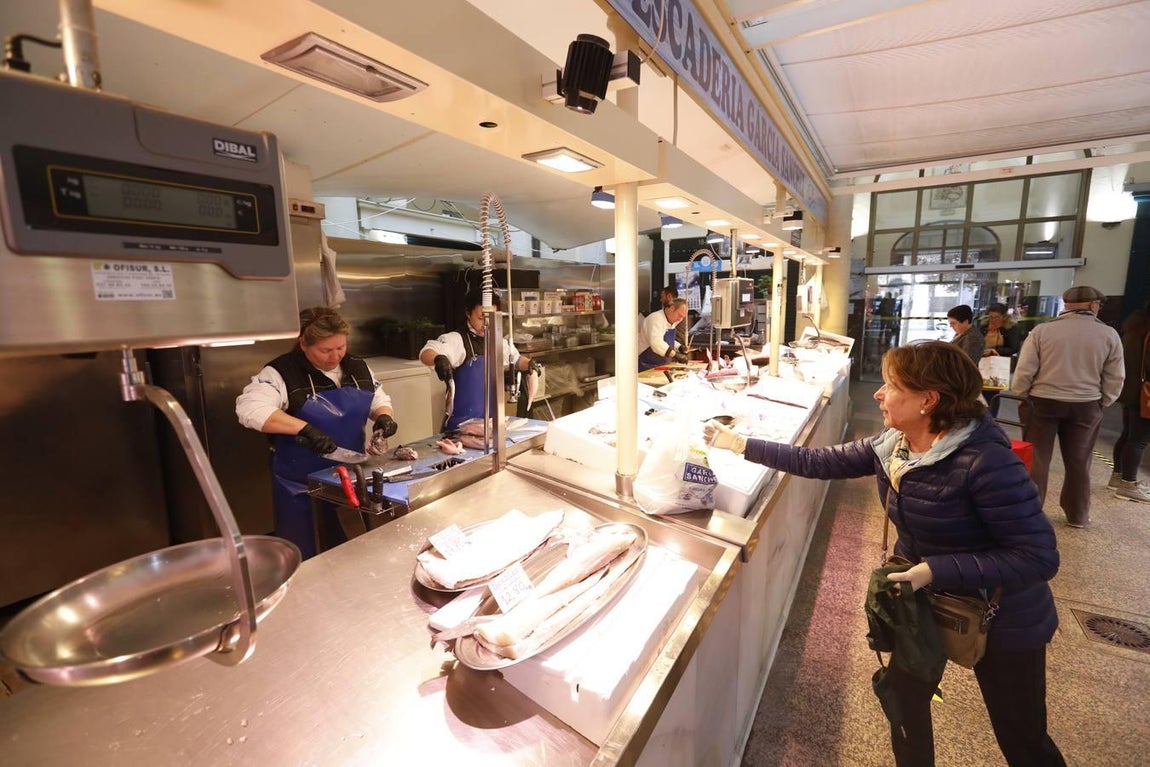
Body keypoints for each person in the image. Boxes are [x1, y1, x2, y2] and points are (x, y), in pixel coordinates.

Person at [705, 341, 1064, 767]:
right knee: (903, 703)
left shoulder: (987, 463)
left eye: (891, 386)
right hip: (922, 602)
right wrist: (742, 444)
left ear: (928, 400)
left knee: (1021, 735)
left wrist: (936, 569)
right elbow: (821, 461)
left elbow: (1038, 557)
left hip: (1004, 616)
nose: (878, 394)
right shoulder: (896, 444)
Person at [236, 307, 397, 559]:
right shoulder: (281, 372)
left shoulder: (357, 367)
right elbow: (250, 409)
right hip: (300, 487)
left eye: (341, 347)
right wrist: (305, 429)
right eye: (326, 350)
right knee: (307, 556)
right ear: (303, 344)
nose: (336, 356)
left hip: (350, 480)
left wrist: (384, 417)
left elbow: (378, 399)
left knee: (350, 551)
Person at [1011, 286, 1124, 528]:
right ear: (1093, 305)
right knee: (1079, 461)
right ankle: (1077, 515)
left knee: (1038, 460)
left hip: (1042, 403)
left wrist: (1021, 396)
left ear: (1066, 305)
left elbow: (1024, 370)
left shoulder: (1042, 331)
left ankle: (1031, 513)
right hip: (1086, 405)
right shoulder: (1108, 334)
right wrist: (1102, 401)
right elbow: (1116, 376)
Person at [419, 291, 537, 431]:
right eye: (481, 318)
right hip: (460, 428)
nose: (486, 324)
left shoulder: (498, 342)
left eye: (491, 318)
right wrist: (438, 358)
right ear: (468, 313)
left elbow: (516, 360)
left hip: (491, 425)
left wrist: (530, 364)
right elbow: (426, 352)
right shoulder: (457, 339)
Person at [1110, 300, 1150, 503]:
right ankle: (1128, 484)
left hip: (1130, 391)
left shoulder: (1134, 329)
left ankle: (1117, 477)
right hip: (1145, 395)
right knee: (1139, 440)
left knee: (1128, 435)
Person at [979, 303, 1024, 415]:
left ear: (1004, 316)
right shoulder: (984, 327)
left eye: (996, 317)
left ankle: (991, 417)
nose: (993, 320)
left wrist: (994, 350)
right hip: (981, 362)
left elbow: (1013, 348)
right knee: (979, 392)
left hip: (997, 364)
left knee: (992, 394)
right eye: (991, 317)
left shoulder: (1010, 329)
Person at [639, 298, 689, 371]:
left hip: (662, 364)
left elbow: (666, 340)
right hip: (646, 364)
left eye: (682, 317)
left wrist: (679, 347)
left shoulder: (671, 321)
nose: (680, 319)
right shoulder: (655, 319)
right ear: (672, 308)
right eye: (679, 315)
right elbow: (656, 343)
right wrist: (676, 355)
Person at [660, 284, 688, 350]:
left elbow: (676, 338)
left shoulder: (678, 315)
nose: (661, 300)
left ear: (669, 296)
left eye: (662, 297)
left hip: (675, 349)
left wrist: (680, 348)